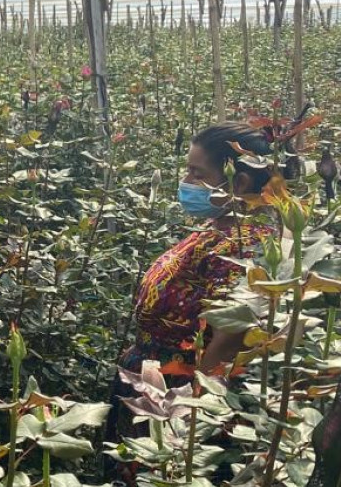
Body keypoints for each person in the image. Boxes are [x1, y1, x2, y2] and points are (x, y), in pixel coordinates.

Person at [105, 122, 278, 481]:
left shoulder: (246, 246)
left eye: (196, 173)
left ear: (238, 183)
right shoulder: (219, 230)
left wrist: (188, 413)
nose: (186, 181)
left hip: (181, 393)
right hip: (156, 382)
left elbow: (230, 335)